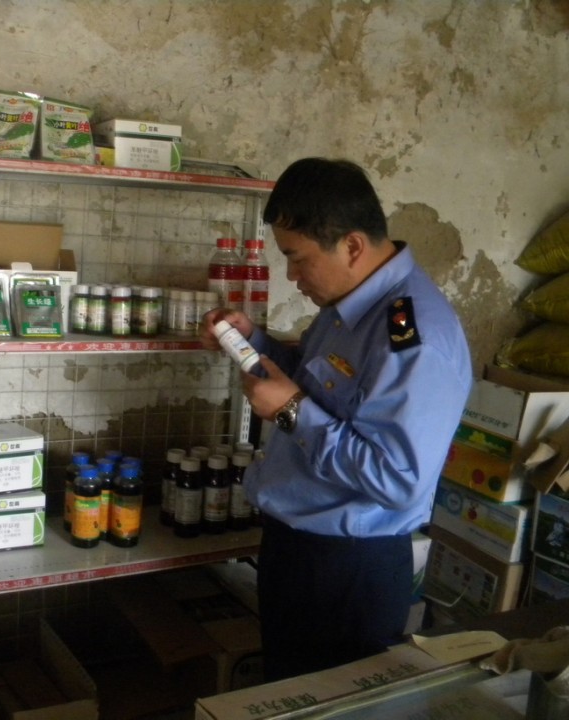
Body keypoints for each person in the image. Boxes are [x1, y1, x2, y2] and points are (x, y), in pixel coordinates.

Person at [200, 157, 472, 681]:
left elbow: (399, 480)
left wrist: (290, 412)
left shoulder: (413, 337)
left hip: (348, 572)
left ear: (351, 246)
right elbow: (319, 381)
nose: (291, 276)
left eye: (297, 259)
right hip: (297, 549)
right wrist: (253, 342)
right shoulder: (348, 303)